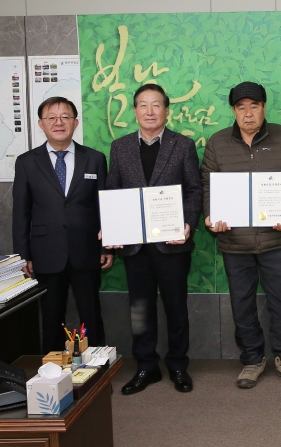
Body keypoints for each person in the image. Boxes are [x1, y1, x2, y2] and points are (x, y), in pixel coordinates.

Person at [201, 81, 281, 388]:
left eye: (254, 106)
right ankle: (251, 359)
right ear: (233, 111)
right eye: (241, 107)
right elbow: (208, 184)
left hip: (275, 239)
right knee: (242, 303)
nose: (248, 113)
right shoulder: (218, 142)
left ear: (264, 108)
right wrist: (210, 216)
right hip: (235, 241)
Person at [106, 84, 203, 394]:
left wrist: (188, 224)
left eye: (156, 105)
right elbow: (113, 192)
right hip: (135, 246)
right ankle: (146, 366)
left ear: (166, 110)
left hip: (172, 244)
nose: (150, 111)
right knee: (140, 309)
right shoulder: (120, 147)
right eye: (143, 105)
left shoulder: (183, 145)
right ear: (135, 111)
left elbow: (194, 190)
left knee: (176, 307)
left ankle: (178, 366)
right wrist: (111, 227)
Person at [12, 96, 111, 354]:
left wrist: (106, 246)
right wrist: (23, 255)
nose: (59, 122)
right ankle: (53, 372)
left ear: (75, 122)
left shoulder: (95, 159)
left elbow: (103, 205)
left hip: (86, 251)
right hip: (45, 253)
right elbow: (21, 213)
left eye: (65, 117)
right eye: (51, 118)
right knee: (51, 317)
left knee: (92, 314)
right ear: (41, 124)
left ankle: (98, 369)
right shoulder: (26, 162)